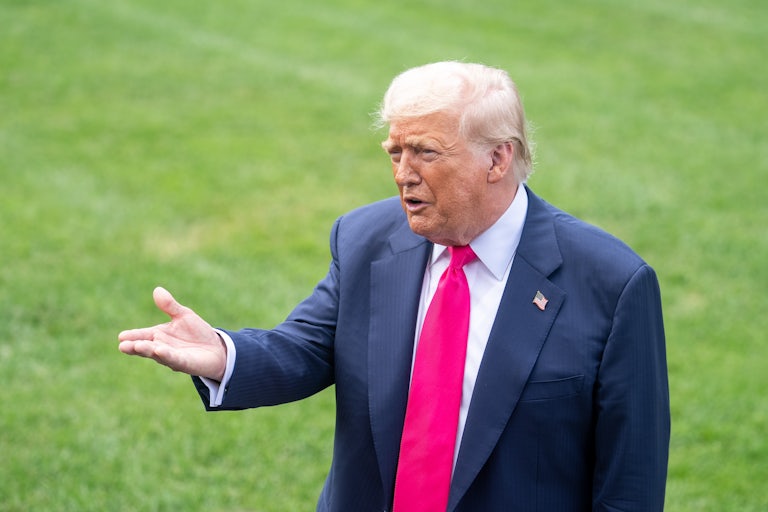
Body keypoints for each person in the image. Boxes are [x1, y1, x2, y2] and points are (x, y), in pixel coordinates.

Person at [118, 61, 670, 511]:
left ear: (497, 158)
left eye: (425, 152)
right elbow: (306, 347)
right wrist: (223, 354)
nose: (404, 173)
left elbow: (631, 483)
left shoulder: (611, 284)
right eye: (394, 152)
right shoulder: (365, 239)